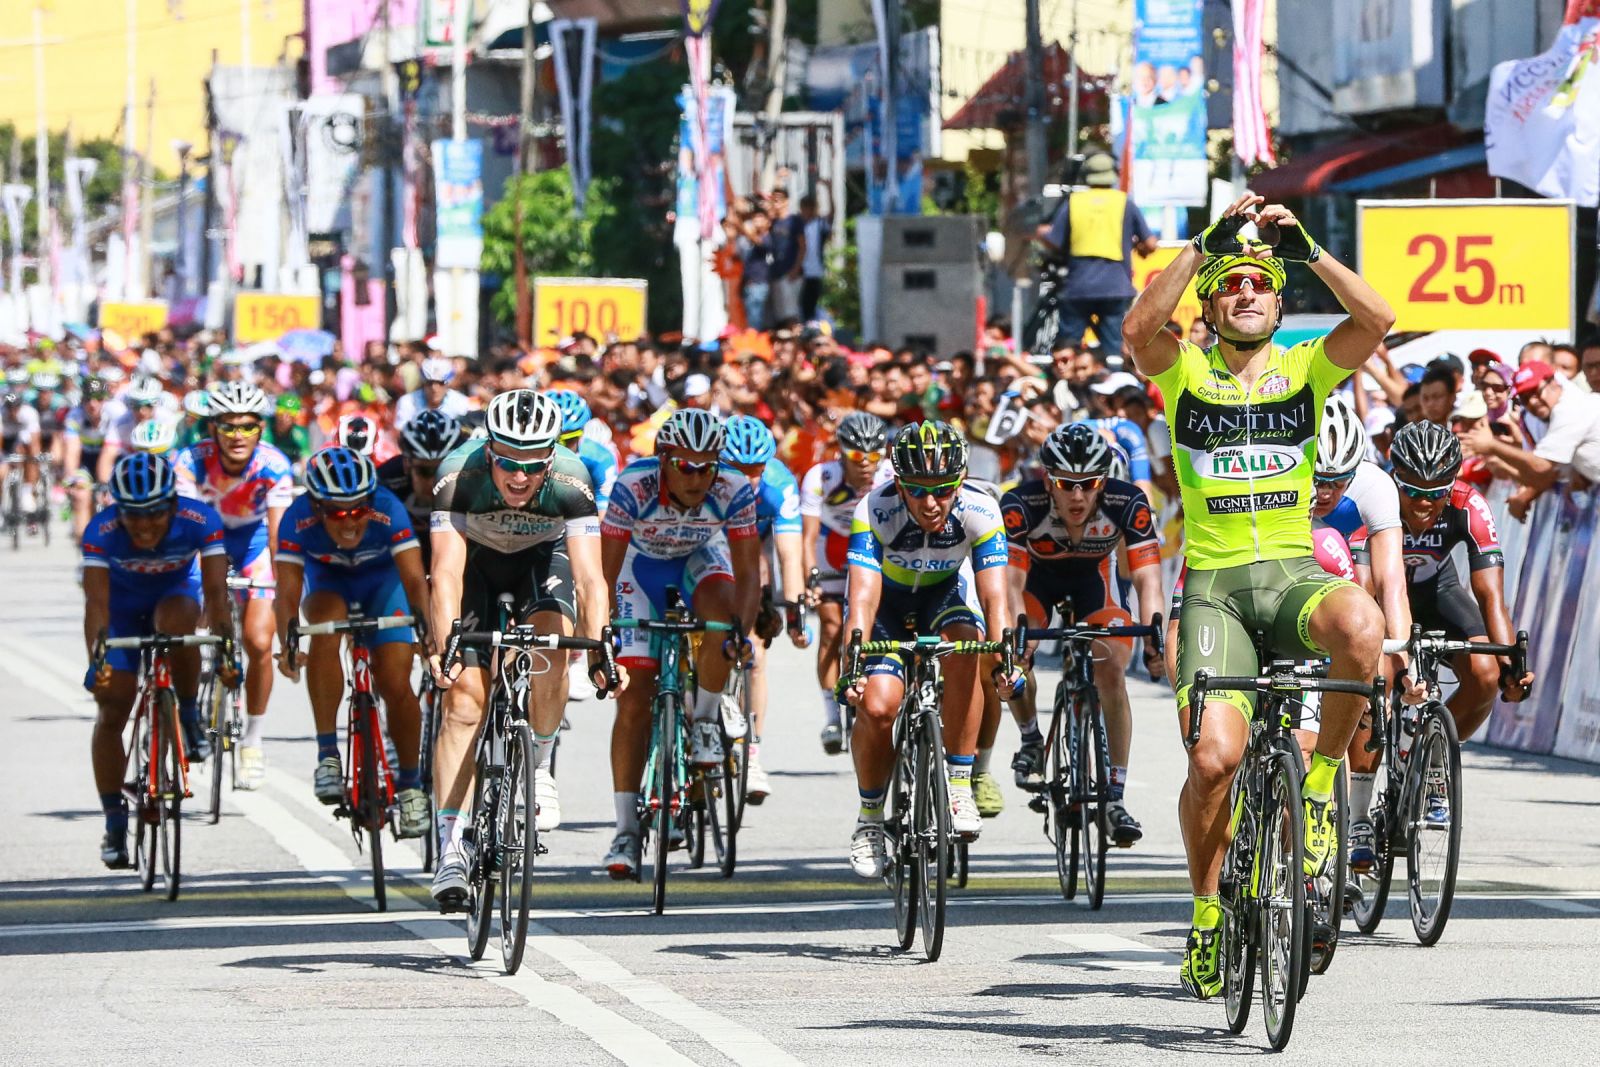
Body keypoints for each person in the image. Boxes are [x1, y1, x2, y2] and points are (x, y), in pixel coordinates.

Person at [1124, 193, 1393, 1001]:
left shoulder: (1306, 365)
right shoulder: (1185, 367)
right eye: (1230, 283)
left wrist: (1308, 251)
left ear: (1279, 302)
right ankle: (1207, 916)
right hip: (1213, 591)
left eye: (1259, 283)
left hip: (1288, 575)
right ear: (1210, 299)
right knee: (1213, 761)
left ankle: (1316, 789)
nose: (1246, 291)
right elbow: (1139, 331)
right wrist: (1198, 247)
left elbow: (1377, 319)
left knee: (1362, 621)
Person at [427, 390, 608, 906]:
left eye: (533, 464)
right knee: (463, 701)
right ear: (489, 451)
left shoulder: (573, 480)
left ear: (552, 456)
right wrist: (446, 646)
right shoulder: (458, 474)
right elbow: (444, 573)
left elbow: (591, 579)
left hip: (540, 562)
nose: (520, 476)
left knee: (553, 645)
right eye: (508, 461)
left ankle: (542, 767)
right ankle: (450, 849)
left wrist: (597, 649)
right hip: (477, 564)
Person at [837, 422, 1018, 878]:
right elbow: (860, 599)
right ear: (899, 484)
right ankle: (870, 819)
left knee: (968, 646)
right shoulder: (874, 509)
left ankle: (958, 782)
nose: (931, 502)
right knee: (878, 708)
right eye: (917, 490)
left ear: (959, 481)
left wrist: (1005, 659)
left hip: (944, 597)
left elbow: (996, 598)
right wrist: (850, 666)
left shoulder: (980, 509)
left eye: (942, 489)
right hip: (886, 606)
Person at [597, 409, 760, 878]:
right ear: (664, 460)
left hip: (698, 558)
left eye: (707, 466)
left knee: (720, 623)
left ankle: (706, 717)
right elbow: (605, 574)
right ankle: (626, 831)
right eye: (686, 466)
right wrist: (604, 634)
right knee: (633, 701)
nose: (697, 477)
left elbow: (749, 573)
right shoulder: (634, 485)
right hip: (639, 566)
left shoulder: (734, 488)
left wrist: (740, 634)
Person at [1354, 422, 1533, 830]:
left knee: (1486, 676)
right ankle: (1360, 813)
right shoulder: (1372, 499)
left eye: (1435, 494)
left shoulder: (1469, 503)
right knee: (1374, 683)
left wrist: (1512, 669)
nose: (1422, 504)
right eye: (1412, 491)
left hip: (1439, 595)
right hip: (1382, 598)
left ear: (1452, 485)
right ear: (1394, 478)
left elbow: (1490, 596)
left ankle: (1435, 757)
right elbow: (1364, 592)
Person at [1002, 424, 1164, 843]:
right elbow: (1012, 587)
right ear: (1047, 479)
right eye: (1066, 484)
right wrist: (1020, 638)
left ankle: (1115, 795)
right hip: (1037, 581)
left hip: (1096, 580)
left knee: (1111, 665)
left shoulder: (1126, 502)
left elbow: (1148, 581)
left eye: (1088, 484)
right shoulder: (1022, 504)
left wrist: (1154, 639)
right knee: (1015, 654)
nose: (1077, 496)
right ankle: (1031, 739)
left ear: (1104, 480)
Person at [82, 453, 236, 868]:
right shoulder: (101, 530)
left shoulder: (200, 519)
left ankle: (187, 711)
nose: (145, 524)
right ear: (119, 511)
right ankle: (115, 820)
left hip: (175, 598)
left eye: (154, 514)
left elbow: (217, 594)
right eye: (134, 516)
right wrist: (98, 661)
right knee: (112, 707)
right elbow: (95, 604)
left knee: (180, 622)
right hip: (120, 610)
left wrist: (226, 647)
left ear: (172, 505)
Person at [274, 447, 432, 838]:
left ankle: (410, 786)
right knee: (325, 626)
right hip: (329, 584)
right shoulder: (296, 518)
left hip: (383, 583)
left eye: (358, 510)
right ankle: (328, 754)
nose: (349, 522)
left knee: (395, 681)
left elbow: (414, 579)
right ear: (315, 505)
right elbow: (288, 592)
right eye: (336, 512)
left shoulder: (388, 507)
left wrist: (428, 633)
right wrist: (288, 643)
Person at [171, 381, 295, 790]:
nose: (238, 436)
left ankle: (253, 740)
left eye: (246, 427)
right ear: (213, 430)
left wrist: (283, 602)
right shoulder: (189, 462)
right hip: (204, 539)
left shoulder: (274, 465)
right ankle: (193, 698)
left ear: (260, 428)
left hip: (253, 542)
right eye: (228, 427)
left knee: (259, 641)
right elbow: (185, 527)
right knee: (188, 619)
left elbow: (279, 540)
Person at [719, 415, 809, 803]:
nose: (750, 478)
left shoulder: (778, 484)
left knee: (753, 653)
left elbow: (789, 554)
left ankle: (751, 751)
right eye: (740, 470)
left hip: (754, 554)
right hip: (705, 548)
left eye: (757, 469)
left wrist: (794, 611)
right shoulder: (705, 478)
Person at [799, 412, 894, 754]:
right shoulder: (821, 476)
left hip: (874, 551)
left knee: (873, 625)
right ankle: (831, 717)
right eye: (857, 456)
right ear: (841, 451)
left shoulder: (890, 474)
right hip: (833, 548)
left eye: (874, 455)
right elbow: (807, 538)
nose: (866, 464)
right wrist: (809, 579)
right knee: (831, 627)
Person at [1035, 152, 1159, 360]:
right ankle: (1113, 383)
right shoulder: (1124, 203)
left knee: (1068, 348)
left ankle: (1067, 384)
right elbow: (1150, 244)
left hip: (1078, 288)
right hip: (1115, 288)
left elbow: (1054, 241)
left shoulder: (1074, 203)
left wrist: (1040, 232)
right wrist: (1137, 246)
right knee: (1113, 349)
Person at [1461, 360, 1600, 514]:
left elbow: (1541, 468)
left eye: (1536, 391)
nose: (1533, 401)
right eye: (1525, 398)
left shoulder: (1570, 409)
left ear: (1553, 383)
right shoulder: (1557, 407)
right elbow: (1544, 477)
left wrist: (1492, 446)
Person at [376, 408, 466, 572]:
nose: (434, 480)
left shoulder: (472, 478)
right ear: (406, 465)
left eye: (443, 469)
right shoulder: (385, 481)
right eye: (424, 472)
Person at [395, 357, 473, 429]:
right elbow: (400, 430)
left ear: (448, 384)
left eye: (440, 383)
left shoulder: (461, 402)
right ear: (423, 383)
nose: (434, 388)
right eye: (429, 383)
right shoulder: (408, 401)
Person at [798, 192, 831, 321]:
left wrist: (829, 190)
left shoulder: (820, 223)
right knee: (799, 302)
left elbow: (831, 215)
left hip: (815, 270)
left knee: (811, 302)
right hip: (800, 271)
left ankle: (811, 324)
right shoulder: (797, 224)